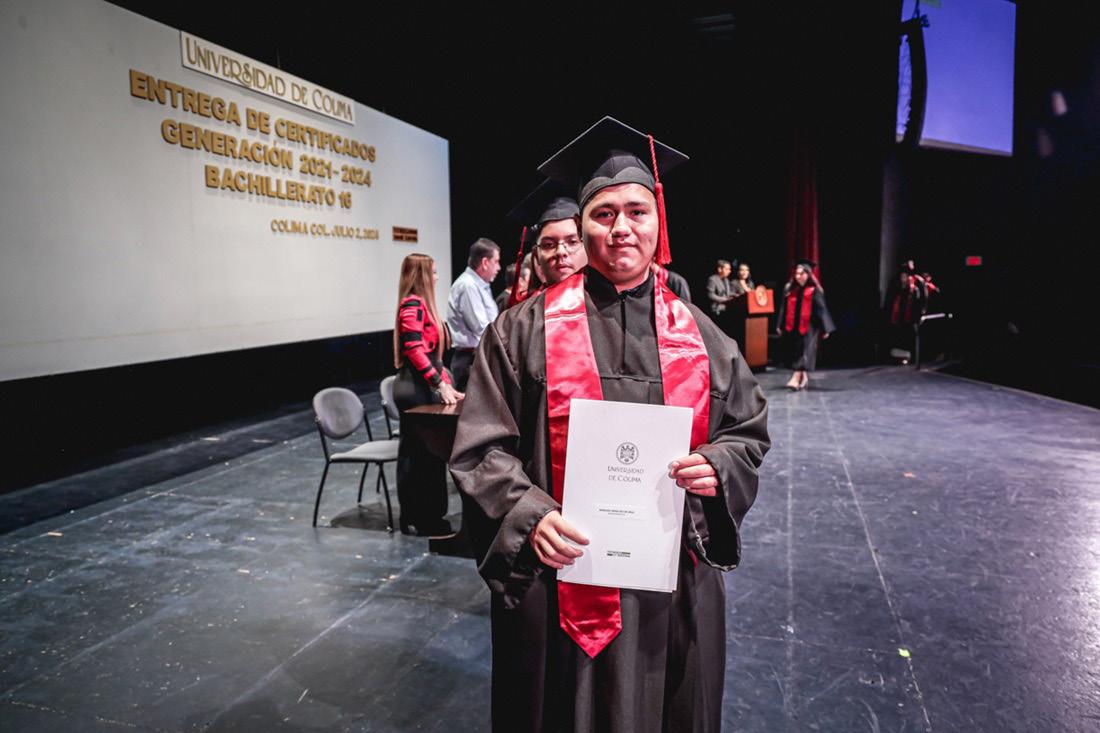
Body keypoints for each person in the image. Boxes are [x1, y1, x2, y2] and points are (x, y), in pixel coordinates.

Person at [450, 117, 770, 733]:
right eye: (603, 214)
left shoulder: (703, 335)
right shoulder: (520, 331)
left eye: (636, 211)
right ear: (584, 225)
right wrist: (528, 515)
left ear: (658, 222)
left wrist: (718, 465)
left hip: (669, 587)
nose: (621, 227)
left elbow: (746, 432)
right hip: (559, 578)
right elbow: (480, 448)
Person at [392, 254, 463, 536]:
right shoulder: (412, 304)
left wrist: (446, 383)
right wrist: (438, 383)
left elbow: (434, 357)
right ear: (421, 276)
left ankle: (428, 514)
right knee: (417, 453)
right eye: (432, 272)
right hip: (414, 388)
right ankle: (418, 517)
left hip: (422, 385)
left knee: (429, 452)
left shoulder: (421, 305)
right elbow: (414, 349)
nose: (436, 277)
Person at [509, 180, 589, 290]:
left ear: (589, 247)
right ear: (536, 256)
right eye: (549, 245)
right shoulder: (532, 302)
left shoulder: (611, 299)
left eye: (572, 242)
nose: (561, 252)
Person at [446, 238, 501, 389]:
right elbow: (482, 328)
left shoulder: (478, 285)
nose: (499, 267)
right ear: (485, 262)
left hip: (476, 358)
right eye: (496, 261)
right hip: (469, 361)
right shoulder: (468, 286)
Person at [775, 259, 835, 390]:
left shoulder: (815, 290)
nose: (798, 276)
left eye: (801, 273)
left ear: (808, 274)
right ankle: (803, 378)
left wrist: (825, 328)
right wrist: (779, 325)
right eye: (796, 273)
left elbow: (821, 310)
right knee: (796, 351)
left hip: (810, 327)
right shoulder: (789, 289)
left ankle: (795, 377)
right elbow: (783, 308)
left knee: (805, 351)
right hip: (793, 325)